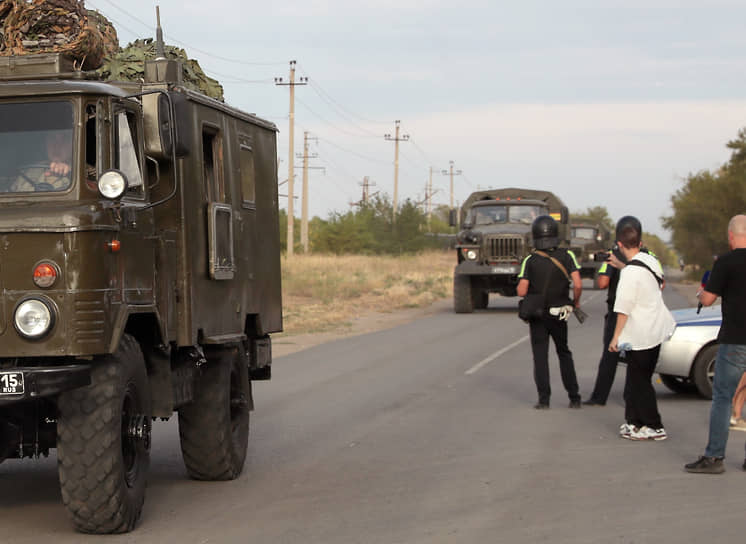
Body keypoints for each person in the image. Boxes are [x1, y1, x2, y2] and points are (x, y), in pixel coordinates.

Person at [685, 215, 746, 473]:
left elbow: (708, 299)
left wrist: (701, 293)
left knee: (722, 398)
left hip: (735, 341)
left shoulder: (726, 262)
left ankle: (714, 458)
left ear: (731, 236)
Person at [609, 217, 675, 441]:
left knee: (640, 382)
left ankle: (655, 426)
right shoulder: (649, 260)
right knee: (638, 378)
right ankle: (634, 422)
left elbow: (623, 309)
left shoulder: (629, 274)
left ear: (619, 244)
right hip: (656, 329)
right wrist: (622, 266)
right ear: (640, 240)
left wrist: (615, 337)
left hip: (641, 334)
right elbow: (655, 281)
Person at [584, 217, 658, 406]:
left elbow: (602, 283)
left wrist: (612, 265)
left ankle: (599, 397)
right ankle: (630, 396)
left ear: (618, 238)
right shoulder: (649, 255)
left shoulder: (613, 255)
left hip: (618, 312)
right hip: (640, 314)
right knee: (635, 358)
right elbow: (660, 284)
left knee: (610, 356)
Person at [517, 215, 583, 409]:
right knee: (564, 352)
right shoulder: (567, 255)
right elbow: (578, 284)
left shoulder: (529, 259)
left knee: (540, 356)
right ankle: (574, 397)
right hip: (560, 313)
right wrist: (575, 303)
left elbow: (521, 291)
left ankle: (544, 400)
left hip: (538, 315)